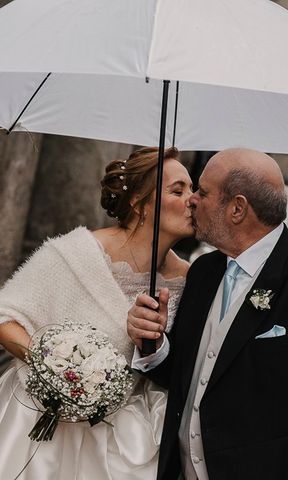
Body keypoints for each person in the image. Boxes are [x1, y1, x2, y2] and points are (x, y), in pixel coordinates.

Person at [127, 149, 288, 480]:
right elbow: (191, 378)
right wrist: (153, 342)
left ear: (237, 208)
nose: (193, 201)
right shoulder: (203, 271)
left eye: (203, 192)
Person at [0, 147, 193, 479]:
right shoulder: (76, 253)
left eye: (193, 189)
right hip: (42, 426)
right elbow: (6, 316)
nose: (193, 199)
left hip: (124, 442)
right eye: (179, 190)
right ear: (139, 202)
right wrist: (54, 367)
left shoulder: (191, 281)